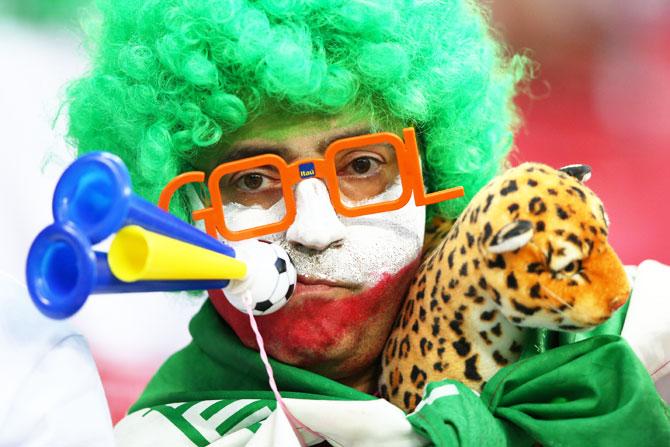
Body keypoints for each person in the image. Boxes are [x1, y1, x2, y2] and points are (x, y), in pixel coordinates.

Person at [64, 0, 670, 445]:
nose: (314, 230)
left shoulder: (625, 327)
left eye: (360, 166)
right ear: (182, 219)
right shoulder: (162, 437)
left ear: (434, 188)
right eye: (251, 181)